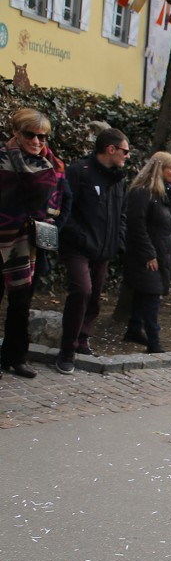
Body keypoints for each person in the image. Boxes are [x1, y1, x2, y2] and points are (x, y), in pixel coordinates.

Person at [54, 128, 128, 374]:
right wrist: (82, 238)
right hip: (79, 247)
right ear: (111, 149)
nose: (127, 156)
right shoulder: (79, 172)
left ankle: (83, 339)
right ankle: (67, 349)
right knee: (81, 290)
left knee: (94, 296)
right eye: (125, 151)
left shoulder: (119, 179)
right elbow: (66, 210)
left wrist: (117, 240)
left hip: (104, 250)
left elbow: (122, 213)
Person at [0, 108, 66, 379]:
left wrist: (51, 225)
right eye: (32, 135)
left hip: (31, 245)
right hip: (2, 239)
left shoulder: (55, 165)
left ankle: (15, 357)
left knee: (21, 305)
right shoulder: (2, 160)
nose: (38, 141)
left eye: (43, 136)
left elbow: (64, 201)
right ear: (16, 131)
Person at [123, 151, 171, 354]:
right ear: (160, 169)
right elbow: (136, 225)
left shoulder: (164, 194)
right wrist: (148, 253)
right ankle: (153, 340)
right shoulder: (143, 193)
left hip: (162, 251)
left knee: (145, 293)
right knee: (151, 295)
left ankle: (134, 328)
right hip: (149, 254)